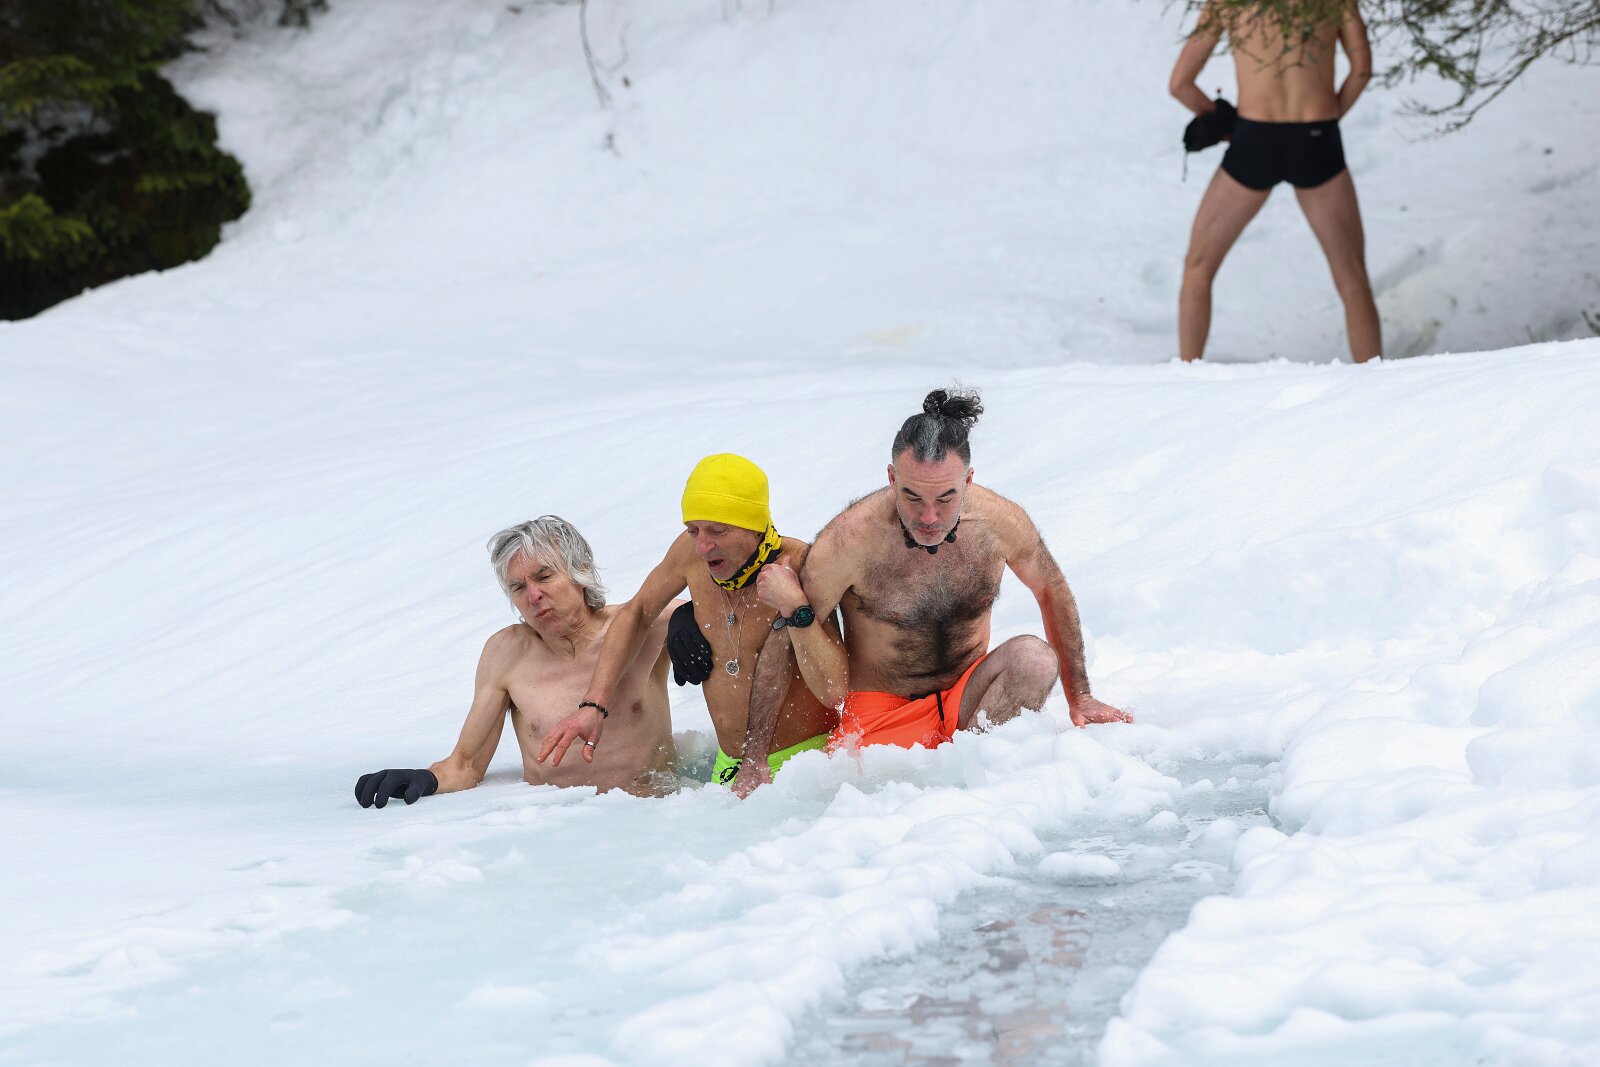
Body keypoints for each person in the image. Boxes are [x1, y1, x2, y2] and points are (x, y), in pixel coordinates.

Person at [757, 388, 1130, 751]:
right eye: (913, 497)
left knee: (1035, 660)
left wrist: (1080, 696)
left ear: (967, 481)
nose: (929, 517)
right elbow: (784, 638)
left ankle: (978, 760)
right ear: (892, 478)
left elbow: (1051, 588)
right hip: (882, 716)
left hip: (967, 698)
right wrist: (755, 755)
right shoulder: (849, 540)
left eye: (946, 498)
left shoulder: (998, 523)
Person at [541, 455, 839, 796]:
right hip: (730, 766)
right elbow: (636, 613)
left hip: (806, 762)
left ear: (754, 526)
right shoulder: (690, 554)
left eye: (717, 531)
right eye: (693, 529)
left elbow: (836, 687)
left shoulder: (802, 565)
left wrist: (797, 609)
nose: (702, 546)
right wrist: (594, 704)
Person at [354, 517, 677, 808]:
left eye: (544, 576)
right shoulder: (507, 654)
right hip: (558, 823)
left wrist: (689, 624)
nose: (533, 596)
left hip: (649, 811)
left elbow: (707, 617)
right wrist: (426, 779)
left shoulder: (646, 626)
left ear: (580, 571)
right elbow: (467, 764)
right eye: (518, 587)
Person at [1170, 0, 1381, 363]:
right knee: (1352, 278)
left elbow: (1179, 85)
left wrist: (1222, 124)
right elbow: (1361, 69)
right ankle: (1378, 383)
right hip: (1317, 137)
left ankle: (1187, 375)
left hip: (1255, 138)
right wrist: (1328, 119)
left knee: (1199, 267)